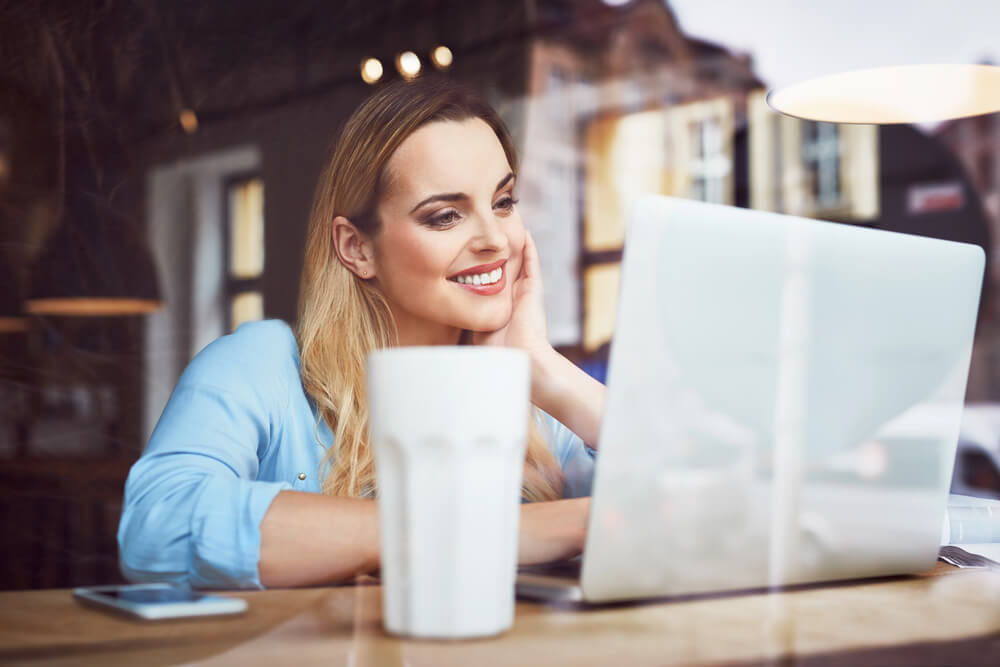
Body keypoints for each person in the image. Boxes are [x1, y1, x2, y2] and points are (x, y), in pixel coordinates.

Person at [118, 77, 606, 589]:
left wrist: (544, 369)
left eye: (503, 201)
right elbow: (160, 526)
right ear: (357, 248)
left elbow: (687, 504)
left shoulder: (535, 413)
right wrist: (502, 532)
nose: (494, 239)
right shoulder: (263, 365)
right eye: (445, 216)